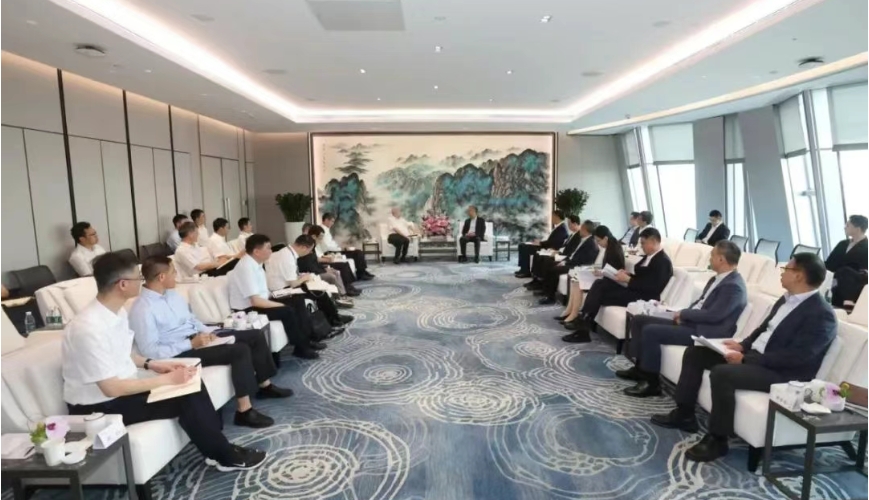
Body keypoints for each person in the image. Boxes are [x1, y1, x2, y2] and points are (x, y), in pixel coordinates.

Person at [62, 251, 266, 471]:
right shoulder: (88, 328)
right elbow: (111, 388)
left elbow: (122, 355)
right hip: (98, 407)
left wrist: (153, 364)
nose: (142, 282)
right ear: (122, 284)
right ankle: (224, 456)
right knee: (185, 396)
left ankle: (218, 448)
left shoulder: (115, 313)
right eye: (138, 278)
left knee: (192, 383)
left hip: (122, 388)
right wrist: (168, 380)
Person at [651, 253, 837, 463]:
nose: (782, 273)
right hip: (757, 357)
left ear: (799, 275)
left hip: (782, 373)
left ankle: (718, 439)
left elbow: (798, 357)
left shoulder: (821, 314)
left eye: (787, 269)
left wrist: (746, 360)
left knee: (723, 374)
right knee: (696, 353)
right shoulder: (786, 299)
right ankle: (684, 413)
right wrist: (743, 345)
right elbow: (764, 328)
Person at [129, 257, 292, 429]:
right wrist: (191, 344)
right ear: (161, 277)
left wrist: (210, 332)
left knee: (255, 335)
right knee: (239, 350)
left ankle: (265, 386)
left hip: (198, 337)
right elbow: (150, 351)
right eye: (173, 272)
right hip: (180, 352)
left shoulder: (172, 294)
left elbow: (192, 320)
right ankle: (244, 411)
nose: (176, 275)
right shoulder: (142, 309)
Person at [619, 241, 747, 397]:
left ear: (721, 259)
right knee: (640, 320)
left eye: (712, 255)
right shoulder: (717, 279)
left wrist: (685, 315)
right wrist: (683, 314)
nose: (709, 258)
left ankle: (651, 383)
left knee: (651, 331)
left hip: (704, 331)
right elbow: (700, 304)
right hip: (693, 322)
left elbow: (714, 315)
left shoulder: (733, 286)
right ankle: (640, 369)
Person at [563, 227, 673, 343]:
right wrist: (628, 275)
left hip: (643, 298)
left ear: (654, 241)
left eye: (643, 243)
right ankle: (583, 325)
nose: (641, 246)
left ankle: (583, 326)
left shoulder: (663, 261)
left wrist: (629, 280)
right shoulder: (650, 257)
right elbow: (644, 278)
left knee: (598, 294)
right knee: (600, 284)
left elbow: (653, 287)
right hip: (635, 290)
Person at [227, 234, 322, 360]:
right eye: (268, 248)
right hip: (249, 309)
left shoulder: (256, 264)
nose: (271, 251)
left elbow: (262, 292)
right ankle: (301, 348)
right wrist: (281, 304)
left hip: (263, 300)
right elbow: (255, 301)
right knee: (287, 311)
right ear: (256, 251)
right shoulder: (246, 268)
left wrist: (280, 296)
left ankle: (307, 340)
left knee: (297, 299)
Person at [266, 235, 357, 320]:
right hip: (283, 291)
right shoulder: (288, 258)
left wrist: (301, 276)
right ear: (303, 247)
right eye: (309, 250)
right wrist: (305, 278)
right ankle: (334, 319)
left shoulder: (284, 252)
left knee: (319, 290)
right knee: (319, 292)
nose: (309, 253)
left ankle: (333, 317)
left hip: (281, 286)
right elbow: (293, 284)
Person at [558, 225, 627, 327]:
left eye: (598, 241)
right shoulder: (609, 247)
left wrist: (601, 272)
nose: (598, 243)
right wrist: (598, 271)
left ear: (605, 238)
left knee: (578, 282)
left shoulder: (614, 250)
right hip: (603, 277)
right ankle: (570, 311)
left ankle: (574, 314)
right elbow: (602, 266)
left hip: (608, 281)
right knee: (575, 279)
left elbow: (614, 270)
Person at [536, 220, 600, 305]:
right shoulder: (583, 239)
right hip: (571, 262)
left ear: (585, 230)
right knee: (549, 264)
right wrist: (565, 261)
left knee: (554, 270)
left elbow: (583, 260)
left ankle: (551, 297)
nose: (580, 230)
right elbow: (573, 254)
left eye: (581, 228)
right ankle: (545, 291)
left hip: (576, 266)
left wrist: (565, 263)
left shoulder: (591, 243)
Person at [526, 215, 583, 290]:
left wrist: (558, 253)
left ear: (575, 224)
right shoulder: (572, 234)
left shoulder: (578, 236)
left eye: (569, 223)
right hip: (560, 252)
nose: (568, 226)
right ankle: (536, 280)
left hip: (564, 256)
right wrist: (557, 251)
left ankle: (542, 283)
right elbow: (565, 246)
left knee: (546, 260)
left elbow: (571, 250)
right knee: (539, 255)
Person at [826, 214, 868, 307]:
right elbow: (829, 263)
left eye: (848, 225)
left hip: (857, 280)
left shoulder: (867, 247)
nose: (845, 227)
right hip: (837, 278)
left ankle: (849, 301)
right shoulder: (842, 244)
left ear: (857, 228)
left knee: (845, 271)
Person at [306, 226, 360, 295]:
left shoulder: (314, 245)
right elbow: (314, 261)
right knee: (342, 266)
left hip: (319, 265)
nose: (321, 240)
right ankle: (346, 289)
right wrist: (325, 268)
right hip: (318, 266)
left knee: (344, 264)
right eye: (320, 238)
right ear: (313, 236)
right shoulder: (308, 247)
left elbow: (316, 258)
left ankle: (348, 287)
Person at [319, 213, 375, 280]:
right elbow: (327, 246)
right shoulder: (322, 230)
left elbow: (331, 243)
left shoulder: (326, 229)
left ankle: (362, 271)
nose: (332, 223)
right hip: (330, 252)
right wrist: (341, 248)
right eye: (332, 221)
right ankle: (361, 273)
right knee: (357, 253)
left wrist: (341, 247)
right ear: (326, 220)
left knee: (358, 252)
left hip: (335, 249)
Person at [515, 210, 569, 278]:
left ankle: (526, 271)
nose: (551, 218)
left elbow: (553, 242)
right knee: (522, 245)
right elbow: (550, 240)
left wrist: (540, 243)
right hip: (546, 245)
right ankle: (522, 268)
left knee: (526, 248)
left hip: (549, 248)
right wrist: (540, 242)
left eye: (552, 216)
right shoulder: (558, 227)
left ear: (557, 217)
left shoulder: (562, 228)